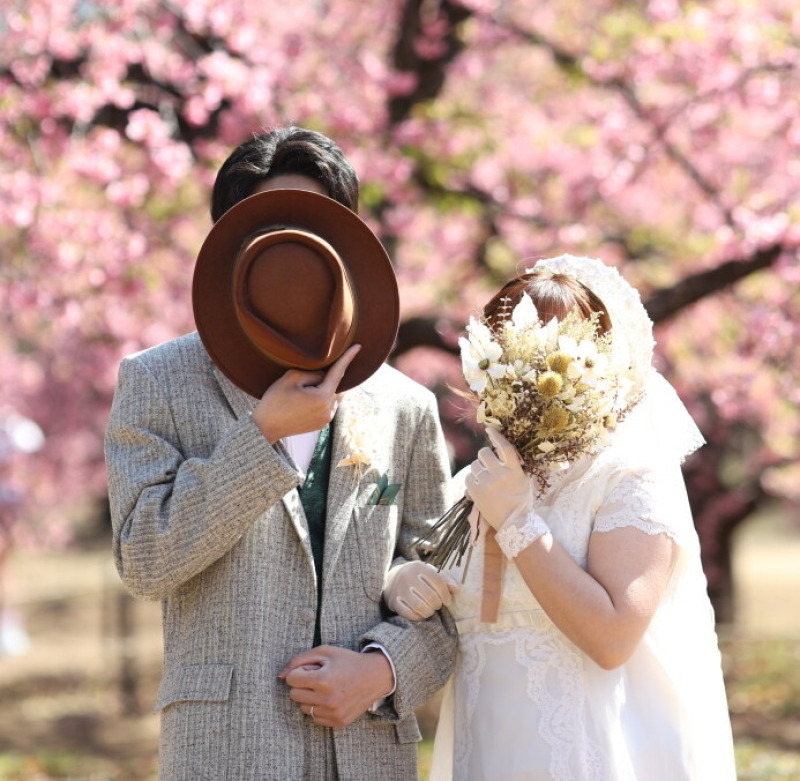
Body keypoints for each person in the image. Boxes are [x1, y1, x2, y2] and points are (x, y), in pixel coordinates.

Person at [105, 126, 456, 781]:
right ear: (230, 246)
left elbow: (445, 582)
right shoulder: (158, 380)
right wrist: (260, 435)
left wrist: (383, 669)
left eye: (320, 225)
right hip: (225, 752)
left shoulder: (405, 405)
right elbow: (145, 560)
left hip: (370, 752)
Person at [384, 255, 737, 781]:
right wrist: (400, 580)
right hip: (485, 755)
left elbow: (614, 637)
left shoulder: (631, 475)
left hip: (593, 753)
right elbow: (440, 595)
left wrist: (520, 523)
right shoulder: (474, 483)